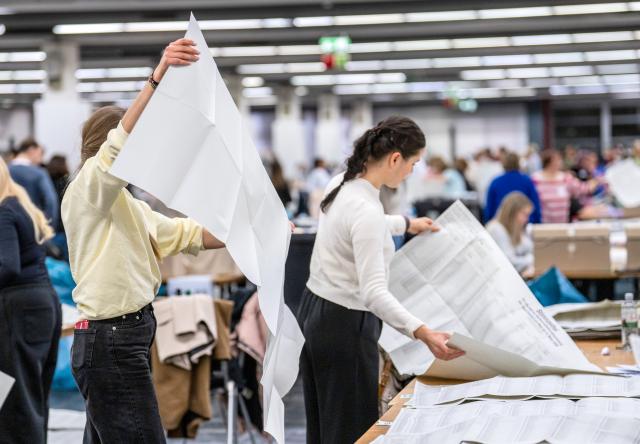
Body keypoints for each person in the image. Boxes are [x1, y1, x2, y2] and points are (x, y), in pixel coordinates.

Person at [62, 38, 227, 443]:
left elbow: (189, 235)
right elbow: (116, 150)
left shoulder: (127, 205)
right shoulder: (88, 191)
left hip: (121, 339)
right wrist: (158, 77)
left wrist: (257, 232)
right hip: (111, 343)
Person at [296, 116, 464, 444]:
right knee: (352, 429)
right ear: (395, 158)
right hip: (345, 325)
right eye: (413, 163)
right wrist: (424, 332)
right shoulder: (366, 211)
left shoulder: (341, 183)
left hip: (317, 310)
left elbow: (354, 224)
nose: (412, 171)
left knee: (323, 424)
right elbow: (374, 293)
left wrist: (405, 223)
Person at [0, 157, 61, 444]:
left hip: (20, 309)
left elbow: (7, 266)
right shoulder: (18, 202)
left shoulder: (4, 211)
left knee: (17, 398)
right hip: (42, 303)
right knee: (33, 394)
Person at [532, 150, 595, 223]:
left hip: (562, 223)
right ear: (550, 162)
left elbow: (583, 188)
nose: (560, 162)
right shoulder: (535, 179)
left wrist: (594, 182)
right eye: (558, 160)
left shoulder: (565, 178)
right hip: (543, 223)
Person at [9, 137, 59, 228]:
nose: (41, 159)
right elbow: (51, 201)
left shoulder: (5, 171)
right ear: (31, 150)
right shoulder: (39, 173)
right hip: (32, 227)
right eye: (40, 154)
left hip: (6, 225)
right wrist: (48, 226)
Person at [484, 152, 541, 224]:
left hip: (502, 224)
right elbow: (535, 205)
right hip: (523, 224)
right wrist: (536, 222)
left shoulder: (495, 182)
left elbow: (489, 209)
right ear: (518, 163)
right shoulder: (527, 181)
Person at [486, 191, 534, 274]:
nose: (527, 219)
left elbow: (528, 246)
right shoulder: (496, 229)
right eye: (524, 215)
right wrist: (532, 259)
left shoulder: (515, 228)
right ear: (512, 213)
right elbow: (509, 262)